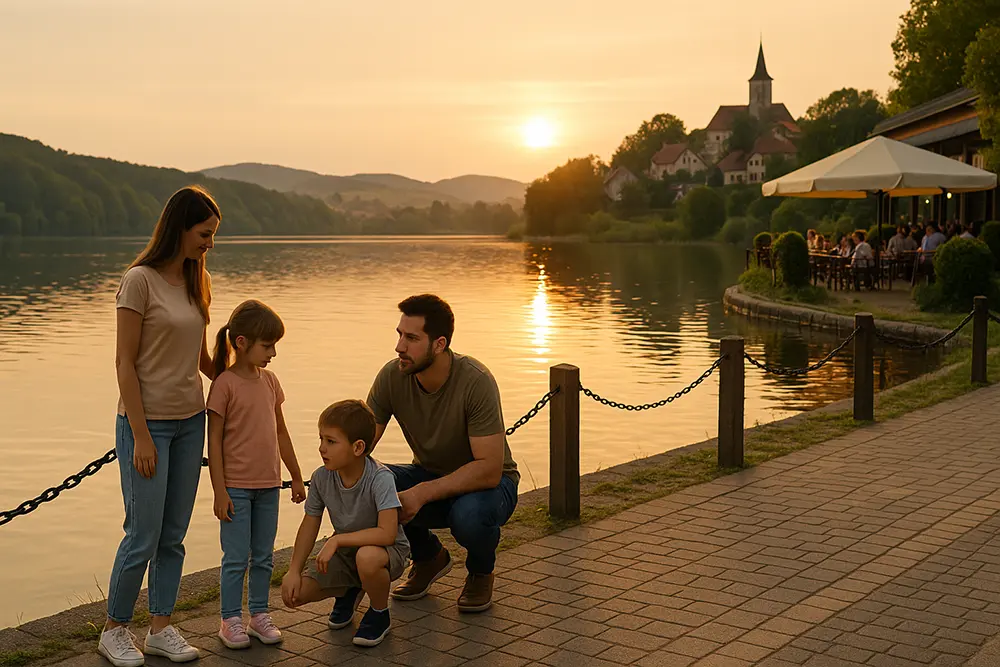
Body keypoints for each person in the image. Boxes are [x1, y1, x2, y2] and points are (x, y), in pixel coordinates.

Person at [100, 186, 221, 667]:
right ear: (180, 228)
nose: (209, 243)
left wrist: (248, 379)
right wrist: (143, 436)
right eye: (204, 234)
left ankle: (161, 628)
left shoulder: (199, 280)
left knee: (173, 535)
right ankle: (114, 629)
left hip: (192, 422)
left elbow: (204, 358)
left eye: (213, 236)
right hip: (145, 426)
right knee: (142, 534)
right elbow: (124, 364)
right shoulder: (139, 281)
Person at [366, 294, 517, 613]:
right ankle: (429, 558)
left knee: (470, 516)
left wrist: (421, 493)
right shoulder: (392, 376)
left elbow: (489, 469)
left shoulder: (475, 381)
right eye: (399, 335)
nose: (399, 347)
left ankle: (480, 571)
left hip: (491, 486)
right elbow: (361, 447)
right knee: (372, 483)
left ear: (439, 343)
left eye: (411, 338)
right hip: (431, 475)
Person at [207, 300, 307, 650]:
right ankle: (230, 619)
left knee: (263, 555)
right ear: (241, 343)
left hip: (268, 486)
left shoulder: (270, 382)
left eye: (275, 345)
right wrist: (219, 492)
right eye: (267, 346)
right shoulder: (224, 384)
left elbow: (281, 431)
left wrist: (295, 475)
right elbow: (214, 442)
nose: (273, 353)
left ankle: (259, 615)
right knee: (235, 557)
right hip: (235, 488)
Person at [280, 400, 410, 648]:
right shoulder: (321, 477)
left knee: (367, 559)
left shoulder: (380, 478)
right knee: (295, 595)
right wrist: (293, 570)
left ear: (358, 447)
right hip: (347, 554)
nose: (321, 448)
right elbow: (310, 523)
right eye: (321, 439)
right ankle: (350, 590)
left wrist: (337, 539)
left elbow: (387, 533)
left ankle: (379, 612)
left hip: (384, 552)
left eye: (331, 441)